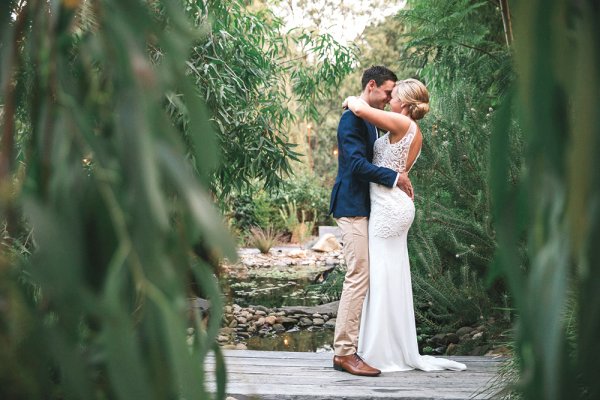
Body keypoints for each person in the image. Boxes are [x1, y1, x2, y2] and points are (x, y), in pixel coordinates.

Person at [343, 78, 467, 372]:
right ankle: (390, 347)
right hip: (394, 204)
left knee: (382, 276)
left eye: (394, 96)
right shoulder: (411, 129)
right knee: (389, 273)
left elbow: (360, 109)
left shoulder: (401, 124)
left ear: (406, 104)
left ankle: (381, 352)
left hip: (389, 208)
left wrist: (350, 98)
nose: (389, 100)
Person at [329, 66, 413, 377]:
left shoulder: (367, 118)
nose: (391, 97)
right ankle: (344, 354)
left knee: (365, 276)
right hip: (351, 206)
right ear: (373, 86)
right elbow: (354, 164)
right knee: (358, 276)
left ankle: (361, 347)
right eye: (389, 92)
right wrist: (394, 177)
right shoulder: (352, 119)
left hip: (368, 208)